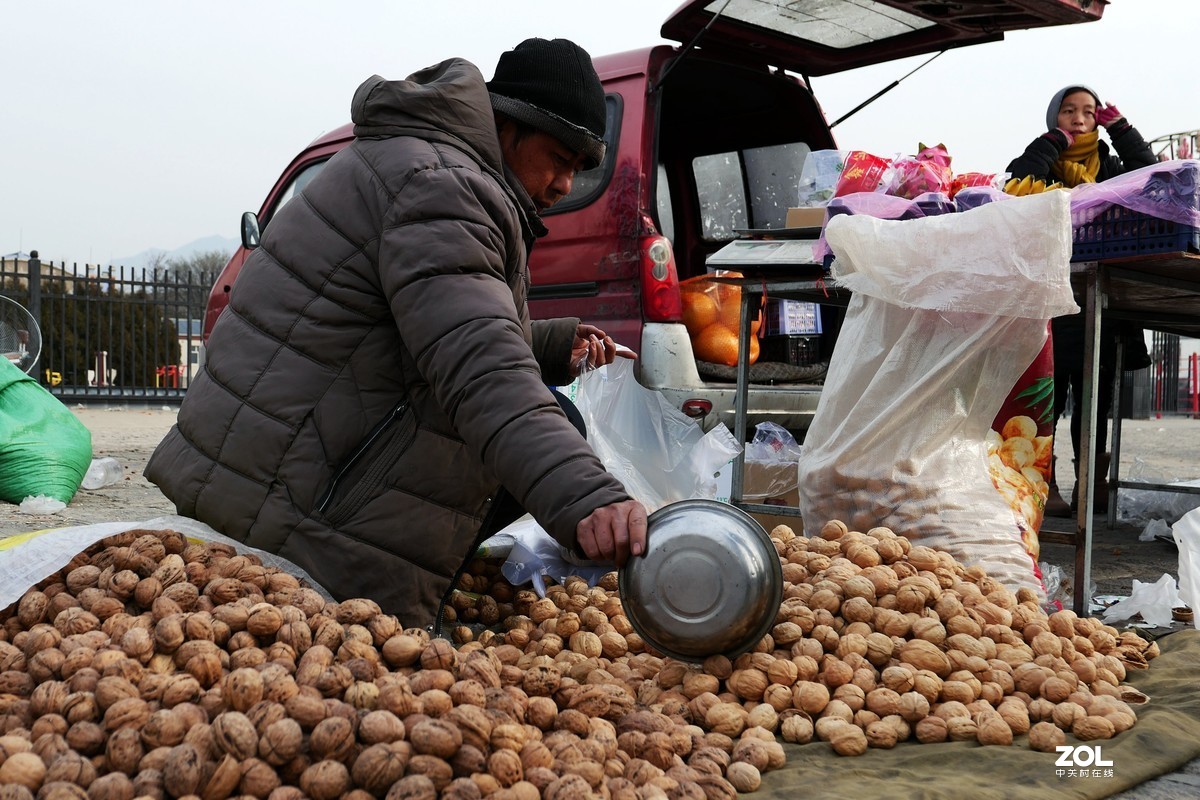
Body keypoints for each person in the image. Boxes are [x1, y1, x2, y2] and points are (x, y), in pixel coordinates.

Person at [146, 38, 647, 627]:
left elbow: (421, 330)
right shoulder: (443, 188)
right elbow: (480, 366)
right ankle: (355, 578)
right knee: (540, 427)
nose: (564, 183)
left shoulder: (420, 162)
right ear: (508, 125)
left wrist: (554, 345)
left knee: (557, 419)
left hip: (246, 470)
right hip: (277, 506)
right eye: (558, 158)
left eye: (578, 168)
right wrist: (586, 495)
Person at [1007, 84, 1155, 515]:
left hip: (1105, 298)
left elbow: (1149, 176)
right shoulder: (1046, 163)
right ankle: (1044, 484)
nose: (1078, 118)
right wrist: (1054, 142)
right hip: (1054, 297)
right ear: (1055, 118)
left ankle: (1093, 485)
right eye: (1068, 111)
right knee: (1047, 399)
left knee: (1095, 404)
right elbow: (1016, 181)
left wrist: (1123, 129)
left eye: (1088, 112)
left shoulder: (1109, 165)